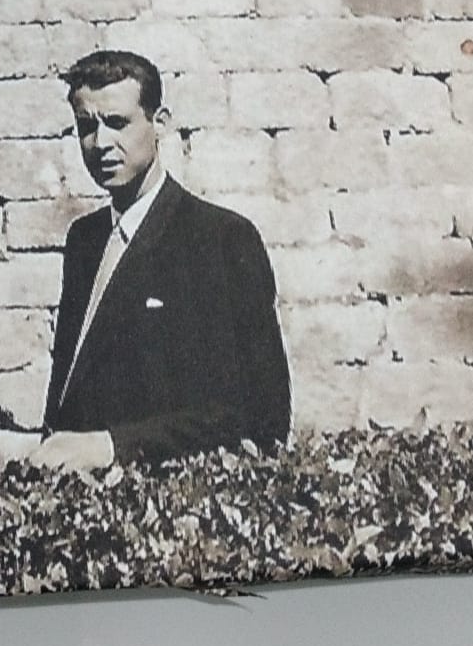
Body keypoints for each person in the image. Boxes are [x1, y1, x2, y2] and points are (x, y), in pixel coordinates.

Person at [34, 50, 291, 472]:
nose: (100, 143)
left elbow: (261, 418)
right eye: (86, 127)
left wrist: (113, 447)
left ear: (161, 123)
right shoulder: (84, 241)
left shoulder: (221, 239)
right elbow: (67, 394)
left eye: (117, 123)